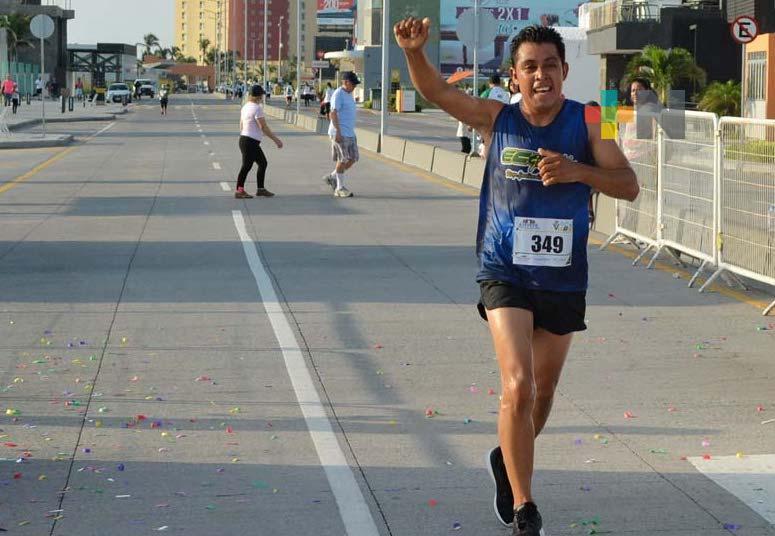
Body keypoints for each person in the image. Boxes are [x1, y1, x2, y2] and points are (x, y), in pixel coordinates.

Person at [394, 17, 638, 536]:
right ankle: (526, 509)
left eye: (551, 65)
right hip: (504, 270)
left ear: (565, 71)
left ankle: (505, 460)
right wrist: (416, 53)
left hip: (564, 275)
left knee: (543, 394)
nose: (541, 74)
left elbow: (628, 185)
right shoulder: (495, 117)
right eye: (530, 66)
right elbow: (436, 93)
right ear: (515, 77)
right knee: (519, 384)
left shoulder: (597, 117)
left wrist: (578, 171)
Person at [235, 84, 283, 199]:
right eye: (261, 95)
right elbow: (263, 127)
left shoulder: (245, 106)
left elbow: (241, 124)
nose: (262, 97)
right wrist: (276, 140)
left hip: (245, 140)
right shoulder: (257, 108)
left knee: (262, 163)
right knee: (246, 166)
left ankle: (260, 189)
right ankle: (239, 190)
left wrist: (246, 134)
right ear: (258, 96)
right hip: (250, 142)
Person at [322, 72, 361, 198]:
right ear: (345, 82)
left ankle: (332, 177)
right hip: (339, 132)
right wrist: (338, 131)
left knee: (353, 158)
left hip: (350, 132)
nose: (354, 86)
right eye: (353, 83)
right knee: (342, 159)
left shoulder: (349, 94)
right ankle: (339, 188)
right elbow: (333, 113)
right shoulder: (338, 94)